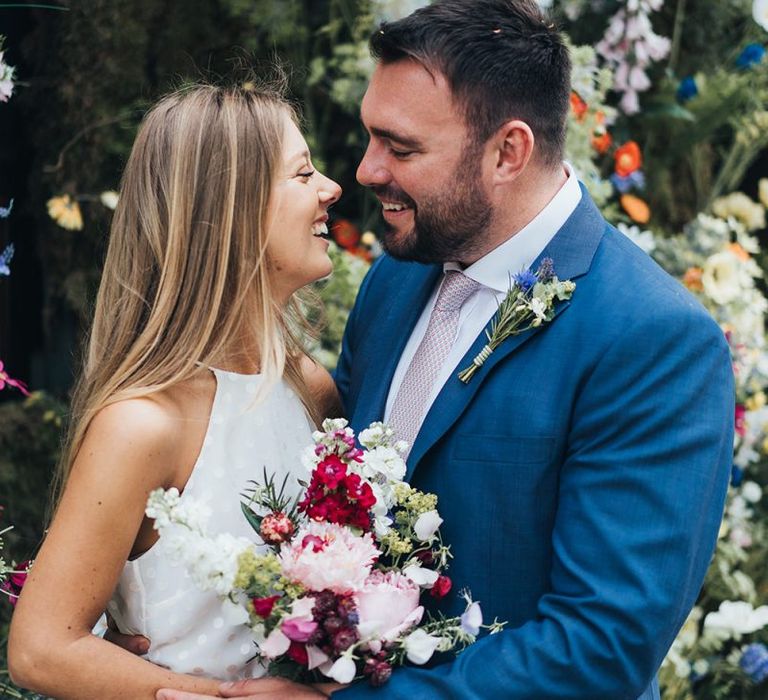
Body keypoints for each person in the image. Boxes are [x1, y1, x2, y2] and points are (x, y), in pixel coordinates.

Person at [154, 1, 734, 699]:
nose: (365, 172)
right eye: (372, 138)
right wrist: (175, 635)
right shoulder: (396, 279)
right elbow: (324, 502)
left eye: (401, 149)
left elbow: (599, 647)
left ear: (507, 152)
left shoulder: (652, 340)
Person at [8, 81, 343, 699]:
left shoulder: (313, 391)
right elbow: (41, 648)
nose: (331, 189)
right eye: (302, 175)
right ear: (233, 211)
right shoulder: (143, 424)